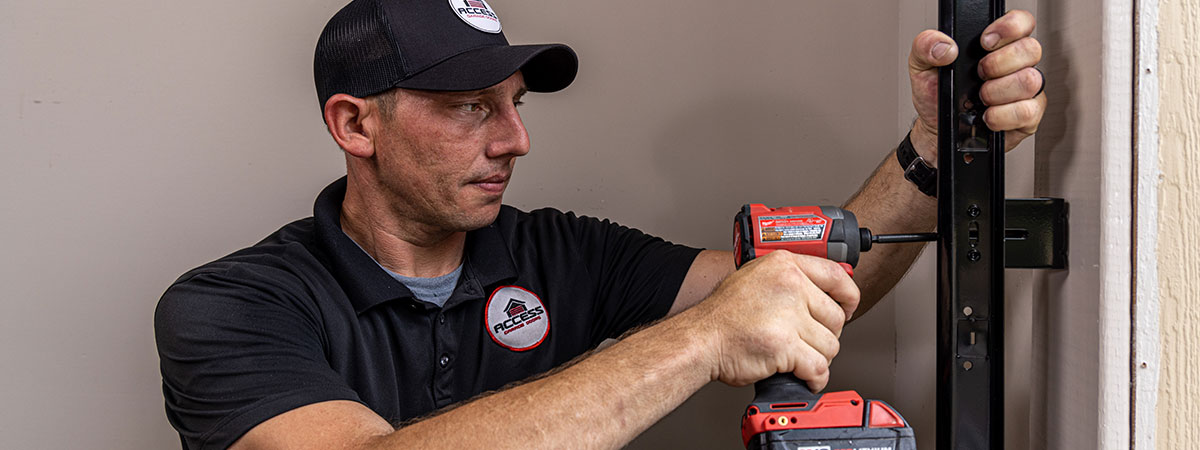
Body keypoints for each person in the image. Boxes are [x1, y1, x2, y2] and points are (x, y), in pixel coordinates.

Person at [154, 0, 1046, 448]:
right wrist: (702, 339)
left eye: (514, 103)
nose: (517, 139)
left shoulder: (558, 252)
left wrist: (936, 146)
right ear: (356, 125)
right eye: (470, 107)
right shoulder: (232, 305)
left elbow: (812, 292)